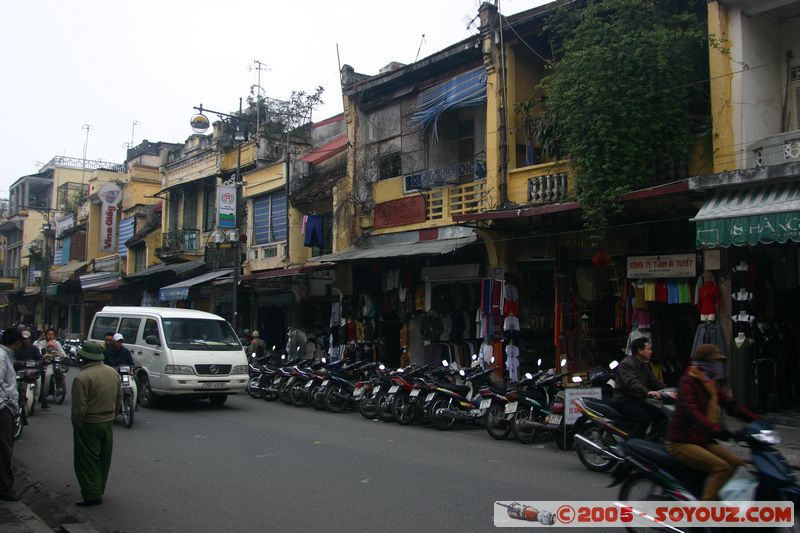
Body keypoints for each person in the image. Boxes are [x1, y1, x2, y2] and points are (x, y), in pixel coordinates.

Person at [665, 344, 759, 501]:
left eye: (719, 362)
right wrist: (718, 431)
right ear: (703, 363)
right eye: (715, 362)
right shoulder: (688, 382)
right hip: (681, 441)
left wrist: (756, 419)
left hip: (702, 439)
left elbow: (729, 403)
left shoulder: (709, 382)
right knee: (721, 468)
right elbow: (693, 414)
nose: (718, 366)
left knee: (737, 464)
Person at [71, 341, 122, 507]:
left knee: (88, 460)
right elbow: (119, 397)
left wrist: (77, 424)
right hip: (107, 421)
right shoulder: (113, 373)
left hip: (89, 423)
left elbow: (79, 407)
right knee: (103, 459)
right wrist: (113, 415)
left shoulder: (82, 377)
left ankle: (92, 495)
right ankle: (99, 489)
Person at [613, 337, 672, 438]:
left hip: (638, 400)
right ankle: (634, 443)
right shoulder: (626, 364)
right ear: (639, 350)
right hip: (625, 401)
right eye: (648, 349)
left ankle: (652, 440)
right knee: (644, 418)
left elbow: (654, 381)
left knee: (660, 415)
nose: (651, 351)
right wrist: (647, 392)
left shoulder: (644, 365)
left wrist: (669, 390)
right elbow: (632, 382)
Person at [0, 328, 22, 501]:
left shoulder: (7, 355)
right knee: (4, 449)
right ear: (16, 343)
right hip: (3, 409)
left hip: (7, 407)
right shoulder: (2, 356)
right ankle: (5, 487)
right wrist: (5, 405)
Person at [35, 327, 66, 409]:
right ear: (46, 335)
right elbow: (39, 353)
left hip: (55, 362)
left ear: (54, 336)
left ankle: (59, 386)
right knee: (41, 377)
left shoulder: (57, 343)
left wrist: (60, 355)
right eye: (49, 334)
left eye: (52, 334)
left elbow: (62, 353)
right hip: (44, 364)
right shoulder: (41, 343)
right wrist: (44, 356)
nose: (50, 336)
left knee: (62, 371)